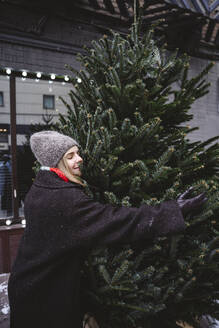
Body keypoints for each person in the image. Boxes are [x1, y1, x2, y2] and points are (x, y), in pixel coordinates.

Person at [8, 131, 206, 328]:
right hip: (42, 299)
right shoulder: (65, 200)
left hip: (29, 286)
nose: (79, 159)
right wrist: (173, 210)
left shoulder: (41, 188)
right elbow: (118, 221)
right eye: (70, 156)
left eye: (77, 153)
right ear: (55, 163)